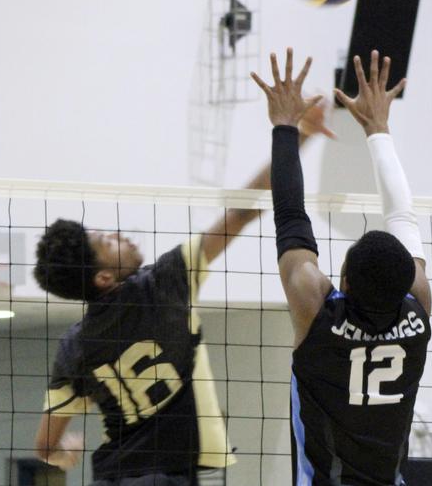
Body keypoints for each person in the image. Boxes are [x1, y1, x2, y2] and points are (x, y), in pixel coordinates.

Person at [33, 105, 333, 486]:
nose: (120, 235)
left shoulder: (73, 347)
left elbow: (44, 447)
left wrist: (63, 453)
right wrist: (298, 133)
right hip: (167, 477)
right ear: (104, 277)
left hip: (113, 476)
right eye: (108, 241)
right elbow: (240, 212)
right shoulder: (164, 283)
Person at [251, 48, 432, 485]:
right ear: (407, 279)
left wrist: (285, 126)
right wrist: (378, 130)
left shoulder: (319, 312)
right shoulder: (417, 311)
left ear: (343, 281)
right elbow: (402, 217)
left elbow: (292, 216)